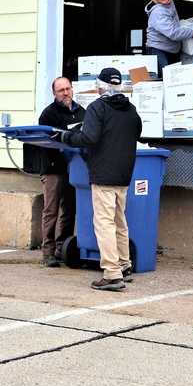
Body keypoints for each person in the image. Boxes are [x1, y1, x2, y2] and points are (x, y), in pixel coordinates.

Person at [53, 67, 142, 291]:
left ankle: (112, 274)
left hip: (103, 173)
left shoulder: (97, 107)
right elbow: (137, 133)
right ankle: (124, 266)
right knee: (120, 221)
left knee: (104, 223)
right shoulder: (131, 109)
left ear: (100, 85)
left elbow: (89, 138)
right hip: (124, 173)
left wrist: (66, 136)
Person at [37, 76, 86, 267]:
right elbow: (46, 142)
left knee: (69, 210)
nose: (65, 93)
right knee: (51, 210)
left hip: (74, 168)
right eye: (61, 90)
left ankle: (62, 247)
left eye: (68, 88)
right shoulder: (48, 114)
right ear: (54, 94)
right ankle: (47, 252)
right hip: (53, 169)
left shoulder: (81, 112)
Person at [144, 0, 193, 79]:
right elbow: (173, 32)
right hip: (159, 50)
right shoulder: (158, 11)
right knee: (164, 81)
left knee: (174, 82)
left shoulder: (170, 4)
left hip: (173, 51)